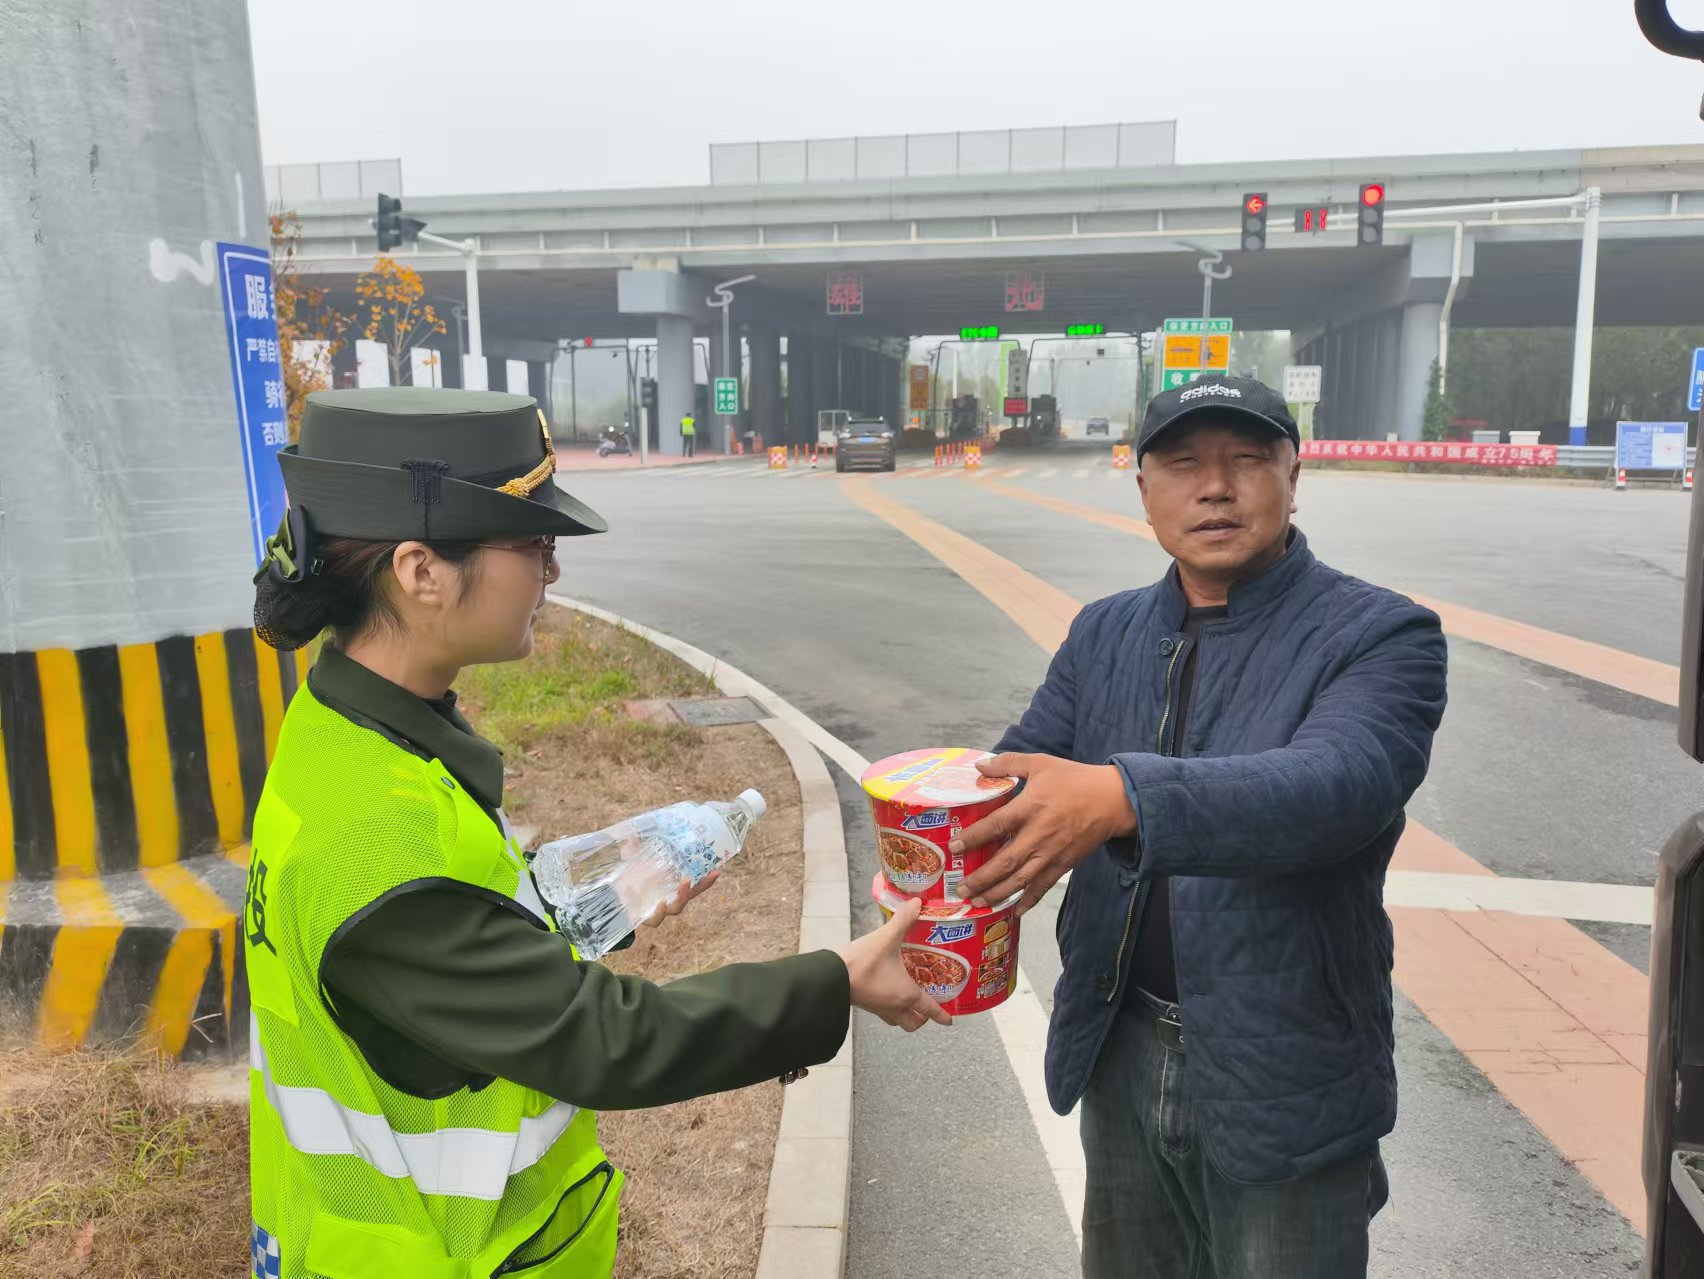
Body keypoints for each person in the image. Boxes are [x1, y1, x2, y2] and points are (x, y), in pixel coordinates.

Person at [244, 387, 947, 1279]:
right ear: (422, 571)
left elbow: (439, 944)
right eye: (534, 547)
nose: (553, 575)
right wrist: (833, 979)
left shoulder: (344, 730)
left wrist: (562, 891)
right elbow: (604, 1040)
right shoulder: (379, 836)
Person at [953, 376, 1448, 1278]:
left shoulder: (1380, 634)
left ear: (1295, 476)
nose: (1214, 488)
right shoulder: (1103, 633)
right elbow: (1014, 784)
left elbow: (1337, 784)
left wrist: (1123, 798)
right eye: (1183, 464)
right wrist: (932, 845)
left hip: (1285, 1068)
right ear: (1144, 488)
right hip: (1120, 1048)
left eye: (1247, 460)